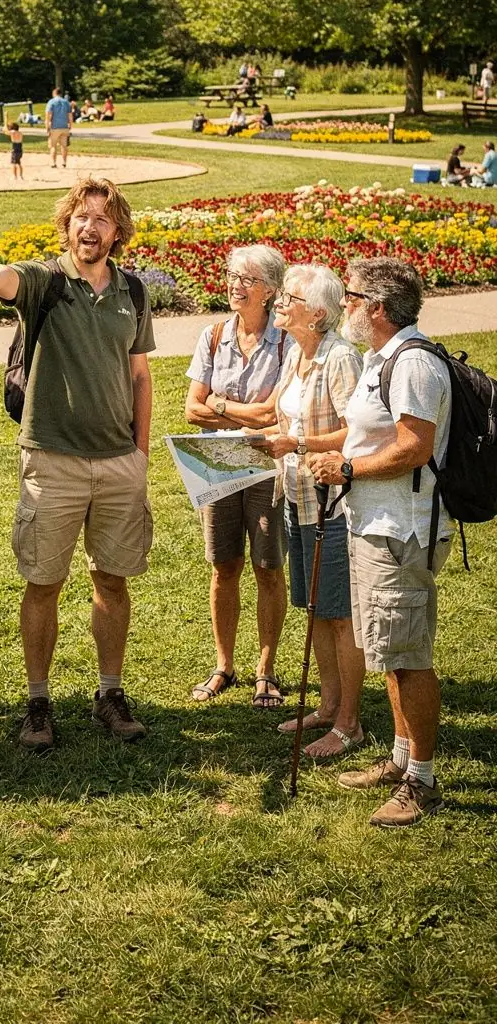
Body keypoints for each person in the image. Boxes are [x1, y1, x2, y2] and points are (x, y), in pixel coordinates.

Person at [0, 177, 155, 750]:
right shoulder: (45, 282)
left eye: (101, 218)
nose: (90, 227)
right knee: (43, 583)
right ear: (67, 225)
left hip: (120, 462)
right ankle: (38, 701)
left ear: (117, 230)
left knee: (113, 581)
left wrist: (141, 454)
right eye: (80, 216)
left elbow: (140, 376)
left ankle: (110, 692)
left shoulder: (133, 292)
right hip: (52, 462)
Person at [309, 258, 452, 827]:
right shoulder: (381, 359)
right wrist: (302, 443)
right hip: (375, 526)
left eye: (352, 296)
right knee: (389, 652)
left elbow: (414, 448)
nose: (345, 304)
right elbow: (369, 431)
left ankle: (422, 780)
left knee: (408, 657)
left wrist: (346, 470)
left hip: (403, 531)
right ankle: (399, 760)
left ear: (379, 309)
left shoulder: (414, 363)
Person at [249, 265, 365, 760]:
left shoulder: (340, 358)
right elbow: (278, 416)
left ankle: (349, 724)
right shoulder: (297, 353)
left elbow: (356, 431)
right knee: (317, 607)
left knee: (340, 615)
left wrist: (297, 442)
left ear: (317, 312)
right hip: (296, 499)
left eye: (289, 297)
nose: (278, 301)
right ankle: (326, 704)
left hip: (332, 505)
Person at [184, 246, 292, 708]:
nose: (235, 284)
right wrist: (243, 415)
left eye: (246, 278)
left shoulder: (286, 342)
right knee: (223, 564)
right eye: (231, 275)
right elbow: (192, 409)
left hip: (268, 469)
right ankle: (223, 665)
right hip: (220, 463)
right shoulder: (212, 336)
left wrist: (221, 406)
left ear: (269, 290)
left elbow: (277, 414)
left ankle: (265, 669)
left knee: (268, 567)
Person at [45, 87, 72, 168]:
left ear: (54, 93)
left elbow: (49, 114)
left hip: (54, 127)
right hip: (64, 126)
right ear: (60, 93)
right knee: (64, 146)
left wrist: (47, 126)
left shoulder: (51, 102)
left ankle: (53, 163)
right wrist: (70, 124)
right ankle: (64, 162)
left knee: (53, 146)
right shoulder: (66, 102)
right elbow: (70, 115)